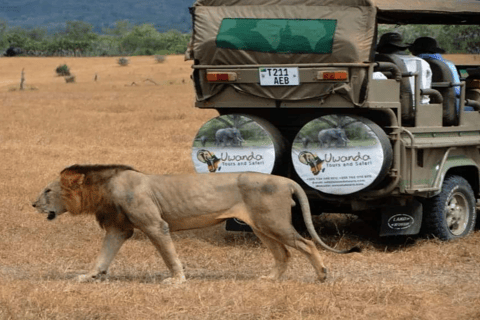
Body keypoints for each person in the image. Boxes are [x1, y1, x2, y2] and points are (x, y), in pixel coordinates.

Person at [376, 32, 432, 104]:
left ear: (382, 49)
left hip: (391, 107)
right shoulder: (422, 62)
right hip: (421, 107)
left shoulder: (381, 63)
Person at [409, 37, 463, 110]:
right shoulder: (448, 65)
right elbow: (457, 91)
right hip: (448, 108)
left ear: (414, 50)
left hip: (417, 107)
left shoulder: (411, 64)